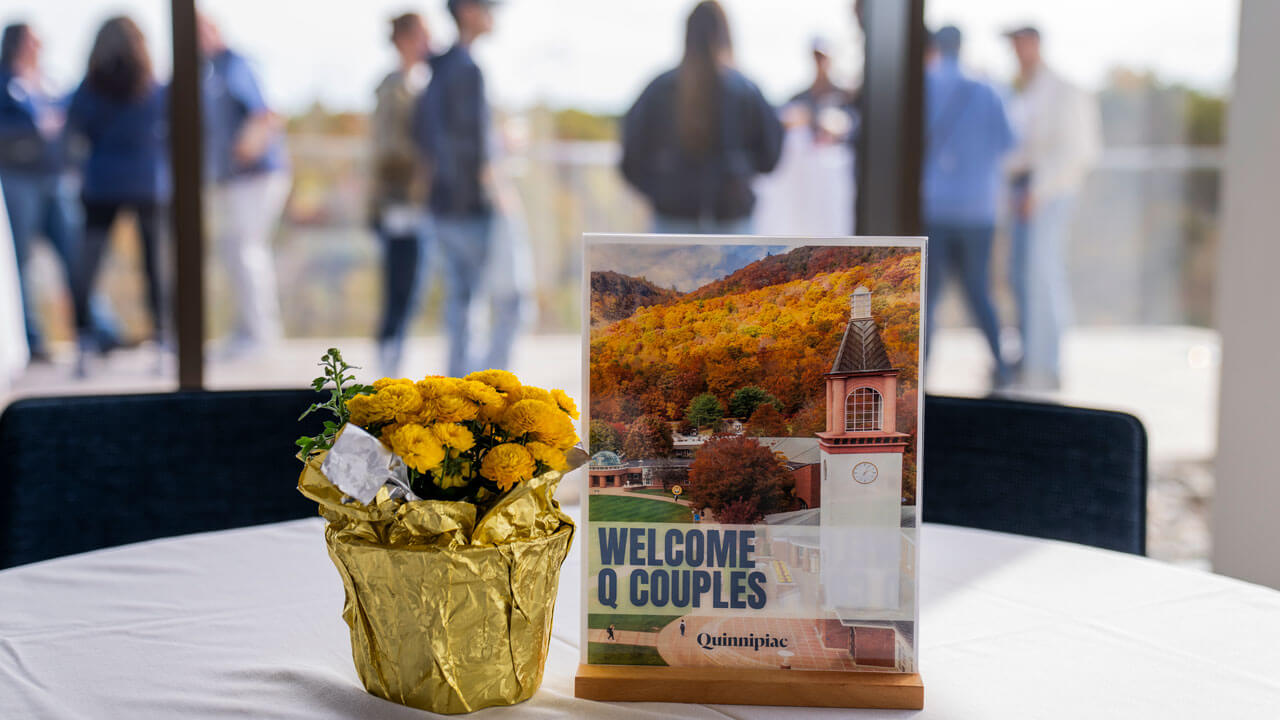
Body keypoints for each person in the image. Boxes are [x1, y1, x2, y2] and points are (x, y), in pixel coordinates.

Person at [414, 0, 526, 377]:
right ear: (466, 10)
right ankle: (490, 388)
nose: (495, 13)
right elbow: (473, 147)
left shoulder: (440, 69)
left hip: (443, 205)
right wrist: (500, 190)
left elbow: (433, 138)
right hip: (473, 206)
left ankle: (460, 389)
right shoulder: (466, 69)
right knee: (512, 300)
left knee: (461, 303)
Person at [0, 22, 120, 364]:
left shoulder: (50, 81)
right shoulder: (4, 82)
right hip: (17, 180)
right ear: (19, 43)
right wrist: (34, 131)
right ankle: (32, 339)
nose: (41, 46)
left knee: (76, 254)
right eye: (35, 40)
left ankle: (100, 328)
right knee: (20, 263)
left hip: (55, 179)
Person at [65, 16, 171, 377]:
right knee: (154, 265)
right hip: (147, 182)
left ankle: (82, 347)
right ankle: (163, 344)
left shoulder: (90, 88)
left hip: (102, 182)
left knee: (87, 265)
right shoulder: (153, 87)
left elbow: (75, 129)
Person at [620, 0, 783, 234]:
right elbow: (770, 156)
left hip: (672, 220)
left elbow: (631, 157)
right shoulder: (745, 90)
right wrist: (737, 173)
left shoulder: (659, 89)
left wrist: (663, 189)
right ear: (726, 33)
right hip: (732, 222)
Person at [1004, 26, 1101, 391]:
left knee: (1044, 275)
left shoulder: (1064, 89)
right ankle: (1030, 354)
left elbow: (1079, 151)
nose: (1016, 51)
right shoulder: (1024, 89)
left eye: (1020, 43)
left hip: (1048, 194)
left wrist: (1040, 191)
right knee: (1020, 275)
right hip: (1024, 191)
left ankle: (1048, 361)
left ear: (1035, 44)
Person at [921, 26, 1015, 388]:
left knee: (928, 297)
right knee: (979, 290)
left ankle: (921, 377)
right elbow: (1008, 143)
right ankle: (1002, 368)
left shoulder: (923, 85)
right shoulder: (988, 89)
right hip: (979, 210)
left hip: (934, 207)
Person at [198, 15, 291, 360]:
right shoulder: (210, 70)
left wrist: (242, 151)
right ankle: (246, 330)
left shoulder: (235, 64)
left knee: (248, 252)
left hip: (257, 176)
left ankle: (261, 334)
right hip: (236, 180)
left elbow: (264, 113)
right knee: (235, 252)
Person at [371, 13, 432, 377]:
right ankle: (389, 369)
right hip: (398, 204)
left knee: (410, 287)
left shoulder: (413, 85)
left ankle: (394, 361)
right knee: (400, 286)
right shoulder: (394, 89)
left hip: (412, 203)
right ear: (407, 39)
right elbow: (389, 150)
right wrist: (431, 160)